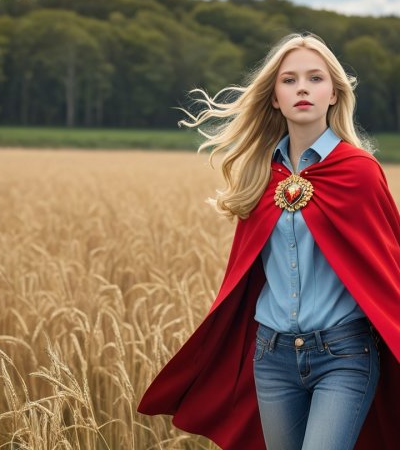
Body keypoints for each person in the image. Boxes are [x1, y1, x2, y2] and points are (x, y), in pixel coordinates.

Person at [137, 32, 400, 450]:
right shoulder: (263, 175)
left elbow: (387, 269)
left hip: (344, 356)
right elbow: (246, 270)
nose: (302, 89)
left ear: (333, 93)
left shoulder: (359, 171)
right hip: (272, 357)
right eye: (289, 80)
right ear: (274, 97)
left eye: (315, 78)